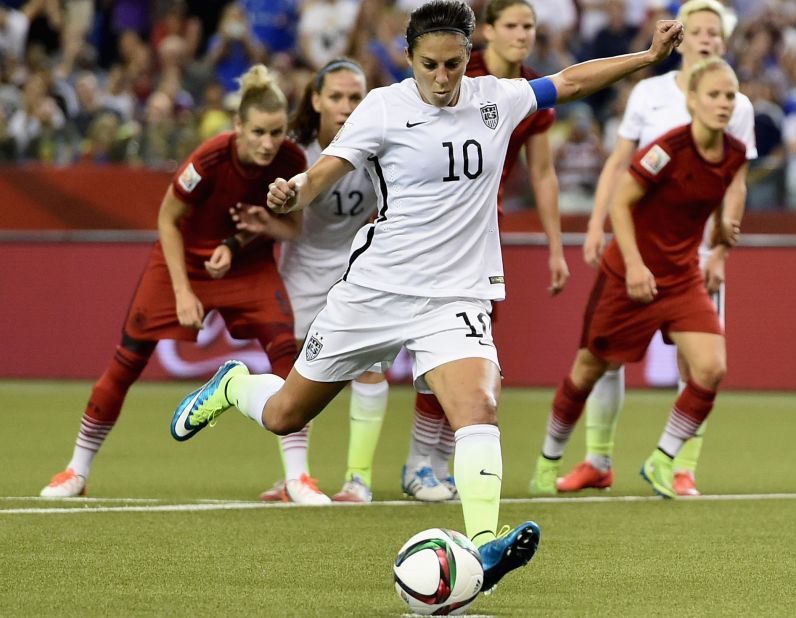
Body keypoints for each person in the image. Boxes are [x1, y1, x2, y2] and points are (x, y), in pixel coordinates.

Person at [170, 0, 683, 593]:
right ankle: (234, 385)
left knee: (479, 408)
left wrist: (646, 57)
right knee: (287, 413)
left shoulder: (496, 97)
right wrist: (294, 192)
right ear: (409, 59)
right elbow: (325, 172)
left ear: (470, 57)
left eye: (454, 65)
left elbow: (569, 80)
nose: (442, 79)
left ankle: (486, 545)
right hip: (376, 290)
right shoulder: (384, 107)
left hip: (455, 296)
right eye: (430, 65)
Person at [40, 65, 322, 502]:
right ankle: (75, 471)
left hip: (246, 266)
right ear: (238, 127)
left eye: (276, 132)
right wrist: (183, 291)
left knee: (286, 352)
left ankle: (297, 478)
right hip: (184, 263)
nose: (269, 143)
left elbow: (293, 229)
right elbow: (167, 221)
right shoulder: (208, 159)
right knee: (128, 359)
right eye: (259, 132)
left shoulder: (292, 161)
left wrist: (260, 227)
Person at [538, 0, 754, 498]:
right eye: (697, 31)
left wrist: (721, 247)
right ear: (682, 40)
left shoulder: (734, 104)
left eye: (714, 35)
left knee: (701, 363)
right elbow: (619, 166)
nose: (705, 40)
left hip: (693, 255)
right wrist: (596, 224)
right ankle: (596, 458)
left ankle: (679, 466)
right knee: (603, 358)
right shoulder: (652, 94)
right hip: (636, 243)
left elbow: (733, 183)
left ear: (723, 43)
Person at [400, 0, 571, 504]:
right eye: (512, 25)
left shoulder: (528, 92)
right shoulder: (453, 71)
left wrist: (556, 245)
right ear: (487, 33)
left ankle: (426, 462)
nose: (522, 35)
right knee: (418, 345)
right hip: (420, 227)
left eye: (530, 26)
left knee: (466, 345)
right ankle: (380, 467)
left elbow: (542, 172)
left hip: (479, 232)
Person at [234, 58, 383, 504]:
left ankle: (358, 480)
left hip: (360, 267)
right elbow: (285, 217)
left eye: (355, 97)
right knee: (292, 368)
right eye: (335, 96)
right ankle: (295, 476)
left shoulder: (383, 142)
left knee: (370, 369)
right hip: (301, 270)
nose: (345, 106)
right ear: (316, 100)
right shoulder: (293, 150)